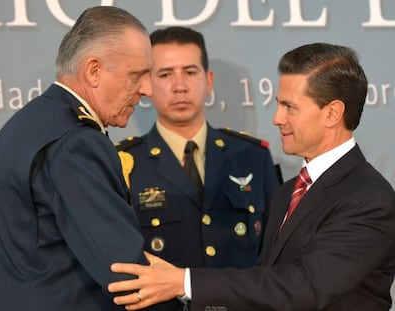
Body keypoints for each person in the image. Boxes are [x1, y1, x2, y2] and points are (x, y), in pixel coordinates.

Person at [107, 42, 395, 311]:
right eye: (278, 104)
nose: (277, 119)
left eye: (290, 107)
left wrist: (183, 281)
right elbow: (266, 285)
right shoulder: (290, 192)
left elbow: (304, 287)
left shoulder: (368, 199)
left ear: (332, 113)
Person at [0, 6, 177, 311]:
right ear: (94, 70)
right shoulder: (77, 142)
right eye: (137, 75)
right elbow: (125, 274)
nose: (148, 90)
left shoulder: (33, 123)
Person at [115, 26, 279, 272]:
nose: (179, 86)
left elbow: (276, 255)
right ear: (147, 84)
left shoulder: (253, 157)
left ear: (209, 80)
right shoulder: (123, 164)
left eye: (190, 72)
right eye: (165, 74)